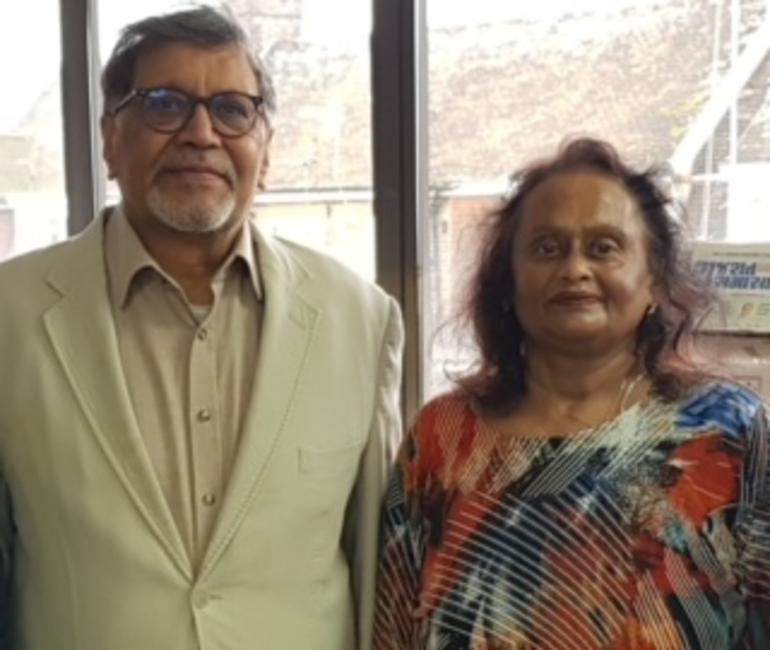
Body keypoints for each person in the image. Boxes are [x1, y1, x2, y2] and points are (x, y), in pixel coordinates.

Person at [0, 6, 403, 649]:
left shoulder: (359, 319)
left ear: (264, 149)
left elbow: (375, 572)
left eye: (233, 110)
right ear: (110, 138)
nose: (200, 133)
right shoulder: (11, 314)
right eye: (164, 104)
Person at [373, 138, 770, 649]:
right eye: (547, 248)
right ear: (508, 283)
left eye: (604, 247)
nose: (574, 269)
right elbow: (392, 630)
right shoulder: (443, 438)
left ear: (654, 280)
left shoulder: (730, 431)